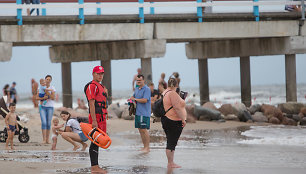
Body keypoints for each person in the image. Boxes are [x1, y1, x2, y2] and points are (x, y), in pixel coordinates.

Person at [85, 65, 109, 173]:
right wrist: (94, 120)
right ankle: (94, 167)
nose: (100, 75)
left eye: (101, 74)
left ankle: (96, 166)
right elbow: (92, 104)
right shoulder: (92, 86)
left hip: (102, 117)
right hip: (96, 118)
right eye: (98, 73)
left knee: (98, 140)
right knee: (95, 141)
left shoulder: (100, 86)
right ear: (93, 74)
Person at [161, 77, 187, 168]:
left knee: (170, 141)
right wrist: (183, 119)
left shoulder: (165, 92)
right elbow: (177, 108)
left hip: (165, 119)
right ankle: (170, 163)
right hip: (173, 121)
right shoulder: (172, 93)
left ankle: (170, 162)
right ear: (177, 84)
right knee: (172, 142)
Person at [130, 74, 151, 153]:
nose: (138, 82)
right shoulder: (137, 89)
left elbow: (145, 100)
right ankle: (144, 146)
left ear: (143, 80)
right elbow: (133, 97)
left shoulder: (147, 89)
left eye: (140, 80)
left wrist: (135, 99)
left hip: (144, 113)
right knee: (140, 130)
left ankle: (147, 147)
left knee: (144, 130)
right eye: (137, 80)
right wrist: (131, 100)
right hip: (137, 112)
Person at [36, 75, 56, 144]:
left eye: (49, 79)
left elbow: (53, 97)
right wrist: (43, 98)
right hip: (42, 107)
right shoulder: (40, 87)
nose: (48, 80)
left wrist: (47, 93)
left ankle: (47, 140)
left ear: (51, 80)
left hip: (50, 107)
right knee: (44, 122)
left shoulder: (52, 87)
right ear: (45, 80)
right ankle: (44, 139)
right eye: (47, 79)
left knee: (48, 123)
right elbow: (37, 98)